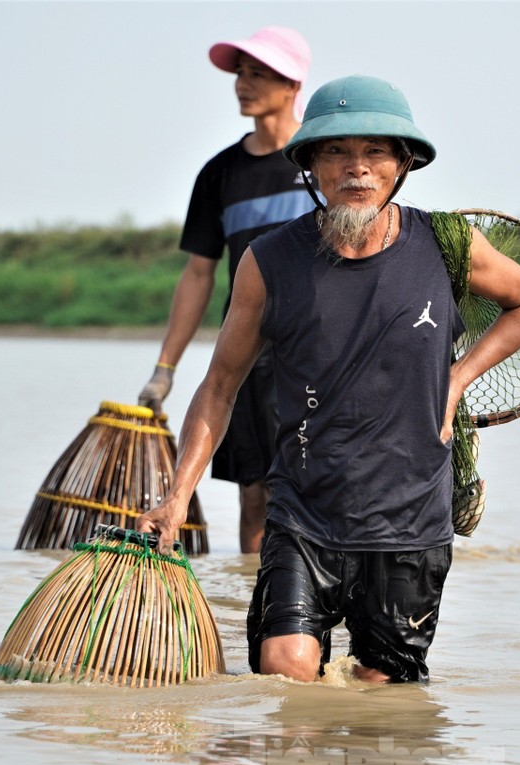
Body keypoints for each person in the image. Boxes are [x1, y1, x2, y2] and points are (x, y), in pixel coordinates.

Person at [137, 75, 520, 684]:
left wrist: (459, 378)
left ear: (403, 164)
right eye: (335, 151)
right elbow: (220, 384)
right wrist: (176, 501)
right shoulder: (269, 260)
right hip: (304, 512)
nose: (355, 168)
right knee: (285, 672)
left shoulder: (447, 244)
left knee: (380, 693)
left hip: (410, 519)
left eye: (374, 152)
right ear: (310, 164)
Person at [136, 26, 313, 554]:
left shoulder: (322, 161)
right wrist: (163, 370)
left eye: (258, 73)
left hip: (318, 354)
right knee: (255, 498)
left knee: (319, 489)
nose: (242, 83)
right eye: (240, 72)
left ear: (292, 83)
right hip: (250, 355)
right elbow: (198, 274)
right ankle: (251, 612)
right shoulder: (220, 174)